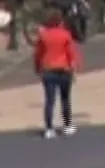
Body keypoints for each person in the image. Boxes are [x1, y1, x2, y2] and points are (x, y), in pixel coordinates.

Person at [33, 8, 82, 139]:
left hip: (48, 69)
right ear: (60, 21)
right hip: (64, 69)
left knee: (50, 100)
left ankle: (49, 129)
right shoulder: (65, 34)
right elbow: (71, 53)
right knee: (65, 99)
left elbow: (38, 54)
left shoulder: (43, 36)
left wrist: (38, 68)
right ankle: (67, 126)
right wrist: (75, 67)